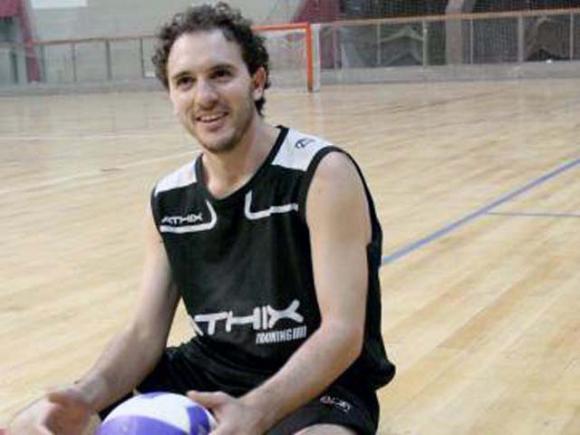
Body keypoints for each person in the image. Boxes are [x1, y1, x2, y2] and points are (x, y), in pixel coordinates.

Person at [8, 2, 395, 434]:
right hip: (207, 374)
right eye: (185, 81)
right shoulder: (170, 199)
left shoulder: (321, 174)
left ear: (257, 82)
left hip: (315, 387)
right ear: (171, 96)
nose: (204, 96)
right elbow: (143, 334)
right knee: (33, 424)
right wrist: (87, 394)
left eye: (221, 74)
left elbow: (342, 332)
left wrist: (256, 410)